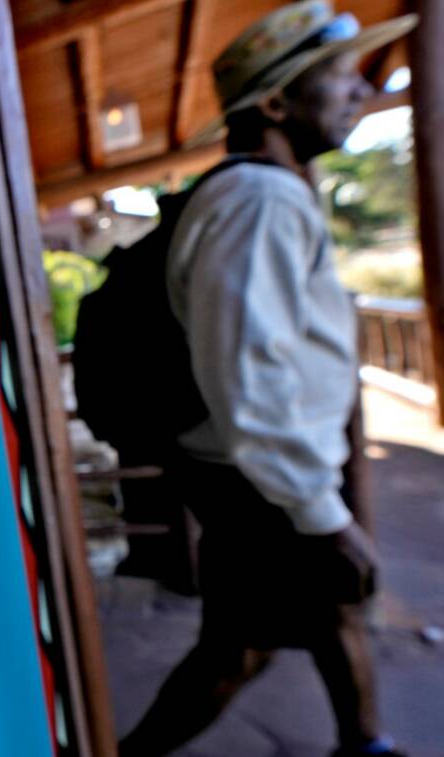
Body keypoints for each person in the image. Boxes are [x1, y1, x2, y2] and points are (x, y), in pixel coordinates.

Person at [118, 3, 417, 755]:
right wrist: (323, 512)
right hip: (261, 480)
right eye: (339, 79)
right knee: (249, 644)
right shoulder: (258, 201)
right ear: (277, 103)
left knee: (286, 628)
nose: (359, 93)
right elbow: (248, 376)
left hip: (258, 475)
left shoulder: (258, 196)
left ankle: (363, 742)